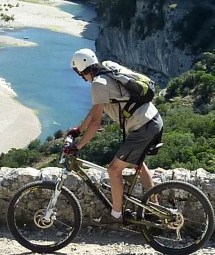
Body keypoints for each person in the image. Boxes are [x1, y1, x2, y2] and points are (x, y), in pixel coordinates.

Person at [66, 48, 163, 224]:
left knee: (113, 169)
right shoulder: (106, 73)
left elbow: (96, 122)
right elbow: (95, 110)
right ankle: (154, 209)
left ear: (81, 70)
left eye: (79, 72)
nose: (80, 76)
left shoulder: (98, 84)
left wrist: (77, 147)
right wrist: (79, 129)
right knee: (138, 165)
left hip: (143, 126)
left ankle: (116, 216)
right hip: (152, 121)